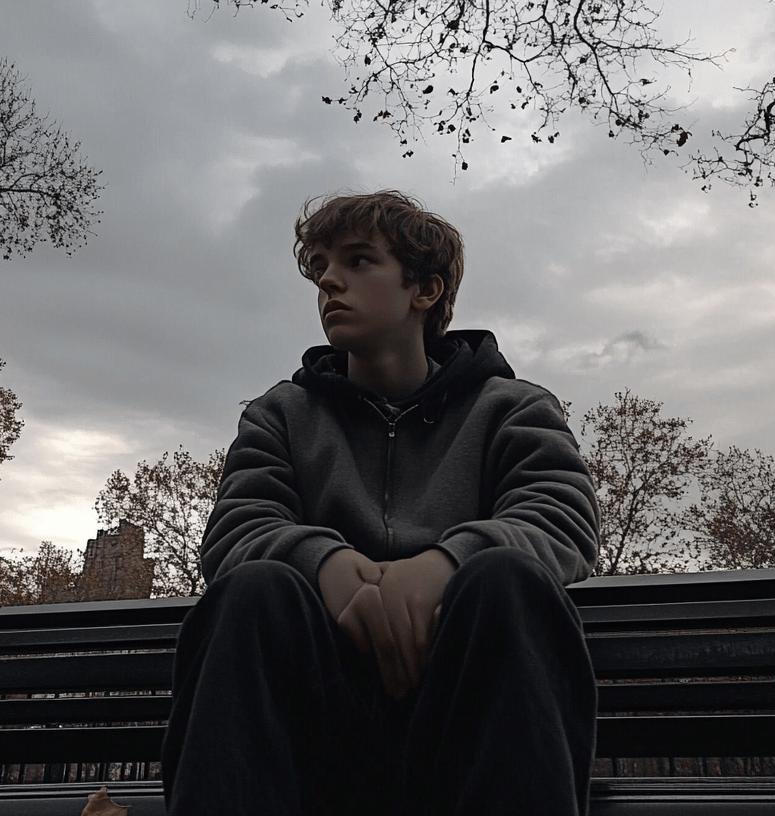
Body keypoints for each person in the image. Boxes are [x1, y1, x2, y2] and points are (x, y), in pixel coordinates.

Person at [160, 189, 600, 816]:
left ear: (424, 289)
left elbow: (560, 516)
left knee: (507, 579)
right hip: (313, 739)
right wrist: (330, 569)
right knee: (253, 590)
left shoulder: (511, 407)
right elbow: (237, 529)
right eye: (319, 268)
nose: (330, 282)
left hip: (465, 732)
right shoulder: (281, 415)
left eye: (358, 261)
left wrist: (442, 567)